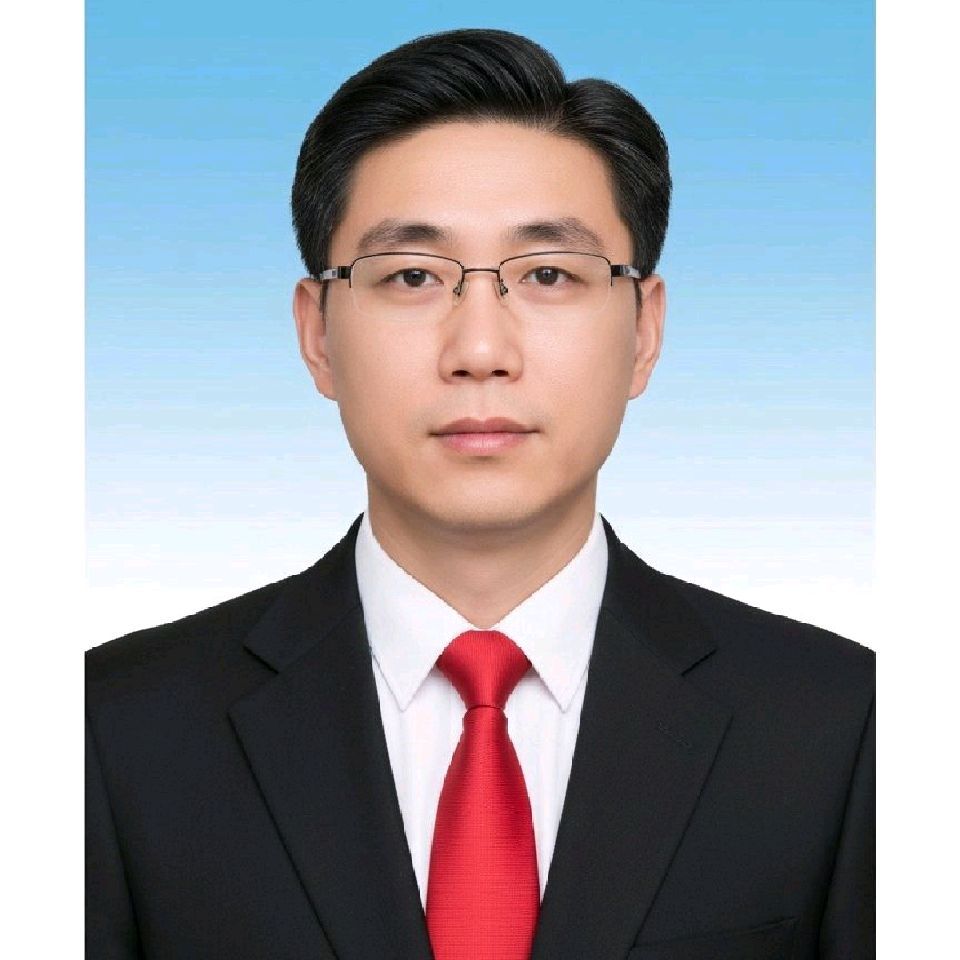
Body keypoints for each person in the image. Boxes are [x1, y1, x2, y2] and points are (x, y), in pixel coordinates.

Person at [85, 28, 874, 960]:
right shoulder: (111, 731)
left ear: (644, 332)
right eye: (412, 276)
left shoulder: (842, 726)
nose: (481, 350)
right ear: (318, 335)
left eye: (549, 275)